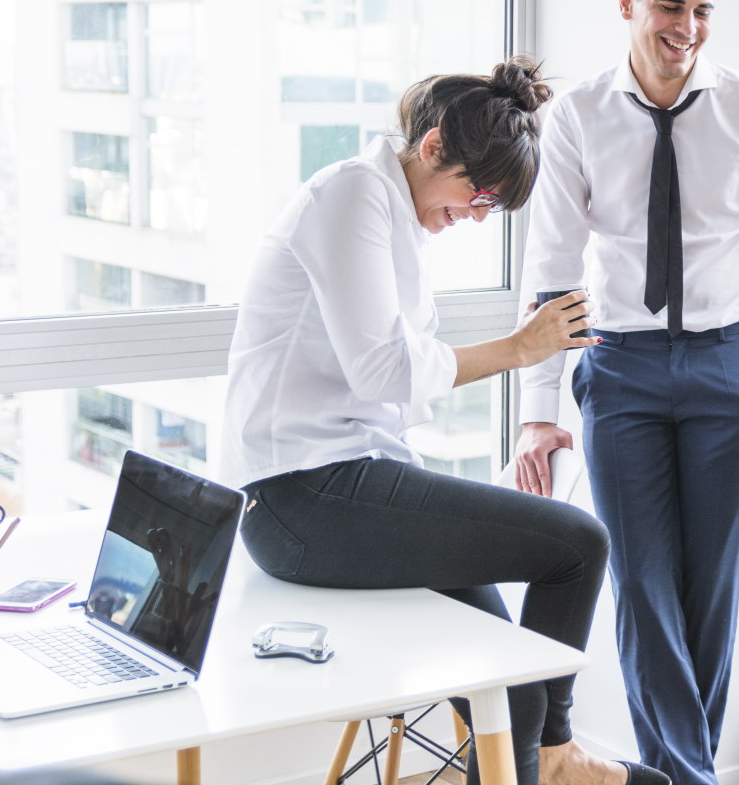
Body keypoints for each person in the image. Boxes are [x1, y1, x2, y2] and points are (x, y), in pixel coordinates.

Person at [220, 58, 669, 785]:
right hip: (297, 498)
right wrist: (523, 350)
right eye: (477, 193)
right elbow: (385, 373)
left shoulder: (393, 214)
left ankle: (529, 761)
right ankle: (553, 760)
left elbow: (389, 384)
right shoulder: (352, 197)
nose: (476, 214)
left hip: (343, 481)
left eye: (491, 206)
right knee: (579, 545)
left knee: (501, 656)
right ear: (431, 149)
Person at [515, 0, 739, 785]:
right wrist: (540, 409)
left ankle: (675, 773)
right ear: (629, 4)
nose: (687, 27)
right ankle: (691, 779)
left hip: (734, 366)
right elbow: (550, 269)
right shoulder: (578, 116)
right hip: (621, 368)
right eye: (670, 6)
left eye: (701, 10)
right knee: (641, 589)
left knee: (708, 594)